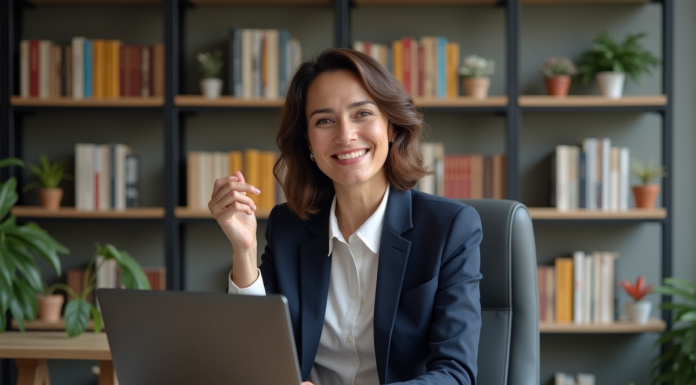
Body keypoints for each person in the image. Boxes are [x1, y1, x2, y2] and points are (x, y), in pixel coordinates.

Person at [208, 48, 483, 385]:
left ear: (392, 126)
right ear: (308, 142)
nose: (345, 135)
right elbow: (249, 356)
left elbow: (455, 375)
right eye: (324, 120)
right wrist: (244, 251)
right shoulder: (288, 227)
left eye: (362, 113)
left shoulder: (449, 229)